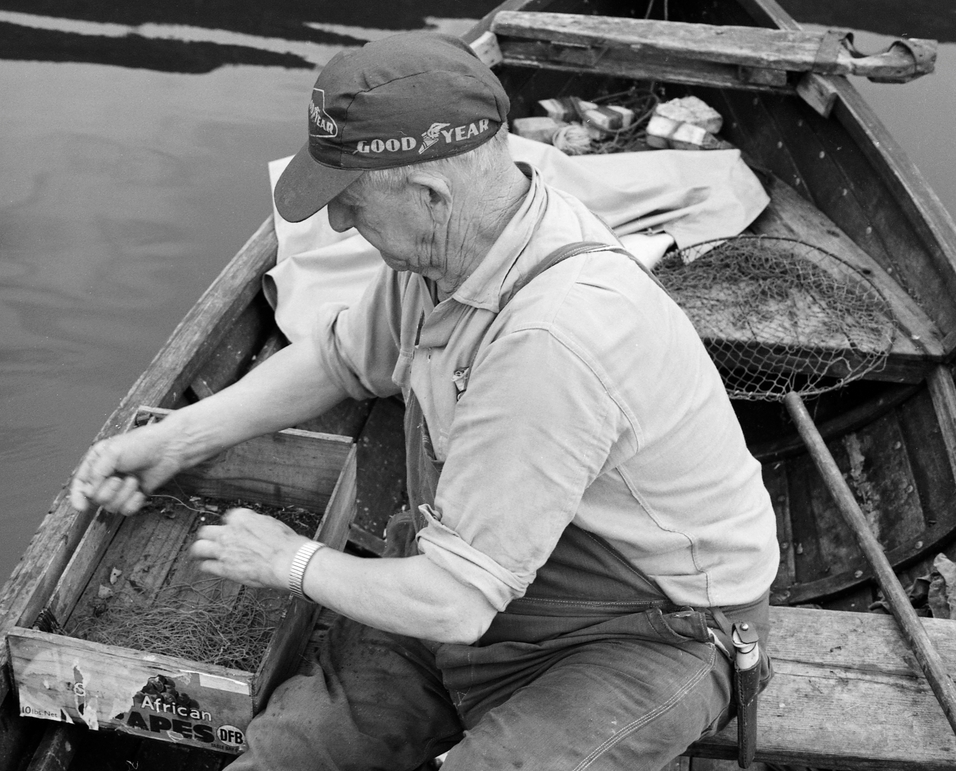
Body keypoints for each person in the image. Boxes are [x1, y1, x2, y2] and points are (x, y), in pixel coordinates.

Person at [71, 31, 779, 771]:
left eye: (351, 204)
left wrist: (291, 561)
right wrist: (177, 439)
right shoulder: (447, 252)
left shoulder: (553, 339)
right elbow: (340, 360)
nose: (338, 226)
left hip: (641, 633)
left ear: (433, 197)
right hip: (480, 584)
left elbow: (453, 603)